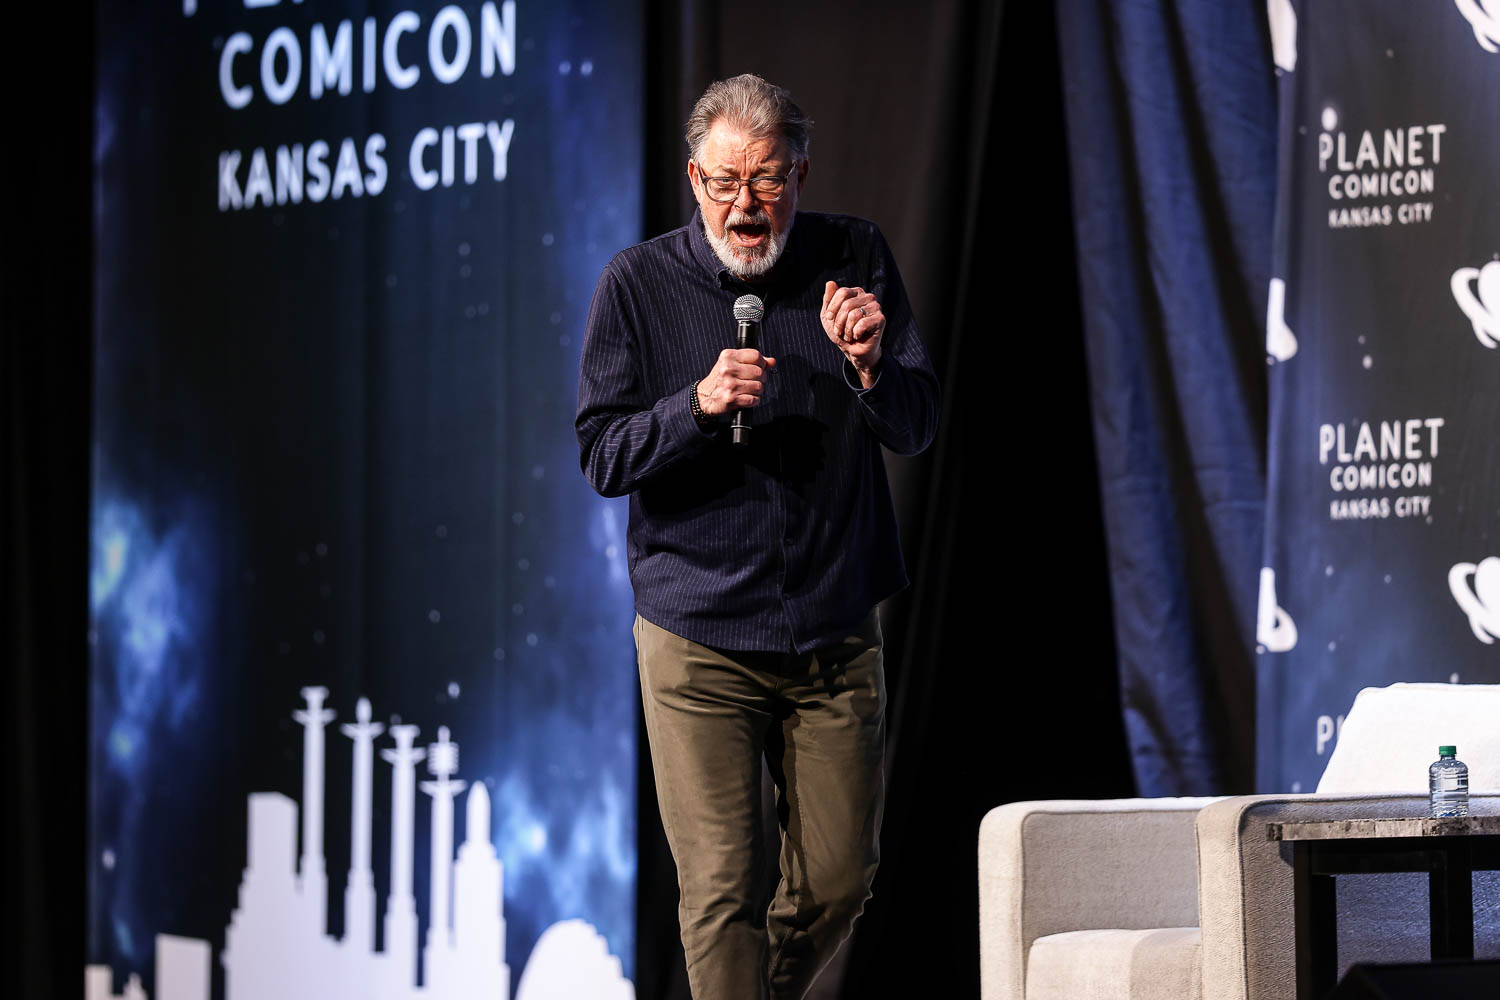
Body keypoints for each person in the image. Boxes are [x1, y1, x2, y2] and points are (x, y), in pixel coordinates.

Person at [576, 73, 938, 999]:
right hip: (697, 637)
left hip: (833, 626)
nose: (746, 206)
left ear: (800, 175)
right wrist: (694, 407)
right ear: (693, 179)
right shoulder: (636, 285)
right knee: (722, 894)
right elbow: (603, 454)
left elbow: (915, 425)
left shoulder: (854, 255)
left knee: (839, 882)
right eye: (726, 181)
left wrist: (870, 367)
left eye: (768, 179)